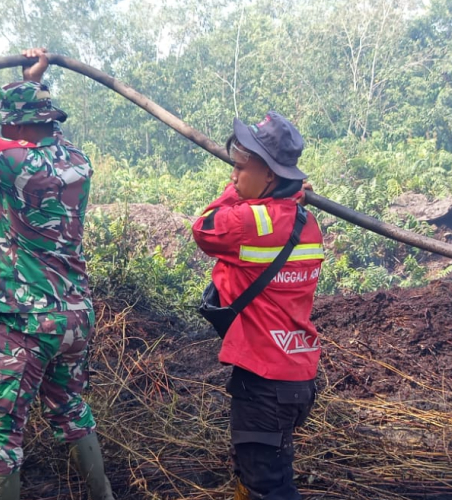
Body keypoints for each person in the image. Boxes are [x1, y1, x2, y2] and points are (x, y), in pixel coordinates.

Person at [0, 48, 114, 500]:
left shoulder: (17, 161)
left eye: (5, 124)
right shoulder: (75, 159)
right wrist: (31, 80)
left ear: (16, 127)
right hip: (76, 315)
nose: (1, 130)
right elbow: (41, 129)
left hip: (32, 322)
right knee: (69, 405)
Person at [192, 112, 324, 500]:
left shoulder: (250, 222)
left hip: (264, 380)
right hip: (296, 374)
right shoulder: (307, 221)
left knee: (269, 487)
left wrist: (237, 194)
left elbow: (203, 227)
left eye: (239, 167)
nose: (232, 177)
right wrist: (287, 191)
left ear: (269, 174)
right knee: (261, 471)